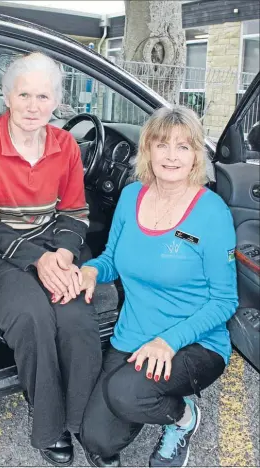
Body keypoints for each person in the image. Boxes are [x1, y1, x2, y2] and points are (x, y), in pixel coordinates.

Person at [56, 106, 238, 467]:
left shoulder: (211, 212)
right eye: (162, 144)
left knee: (126, 392)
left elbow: (224, 300)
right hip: (133, 336)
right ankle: (152, 399)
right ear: (148, 150)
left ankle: (183, 420)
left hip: (193, 342)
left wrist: (168, 341)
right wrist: (91, 271)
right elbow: (112, 257)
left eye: (183, 147)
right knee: (96, 440)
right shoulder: (131, 196)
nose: (171, 155)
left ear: (196, 156)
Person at [0, 52, 102, 467]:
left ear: (57, 100)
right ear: (7, 95)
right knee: (32, 316)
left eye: (43, 96)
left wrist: (62, 254)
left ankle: (85, 421)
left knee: (76, 315)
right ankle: (50, 425)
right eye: (24, 94)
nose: (34, 106)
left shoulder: (65, 145)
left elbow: (75, 212)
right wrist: (38, 261)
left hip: (54, 244)